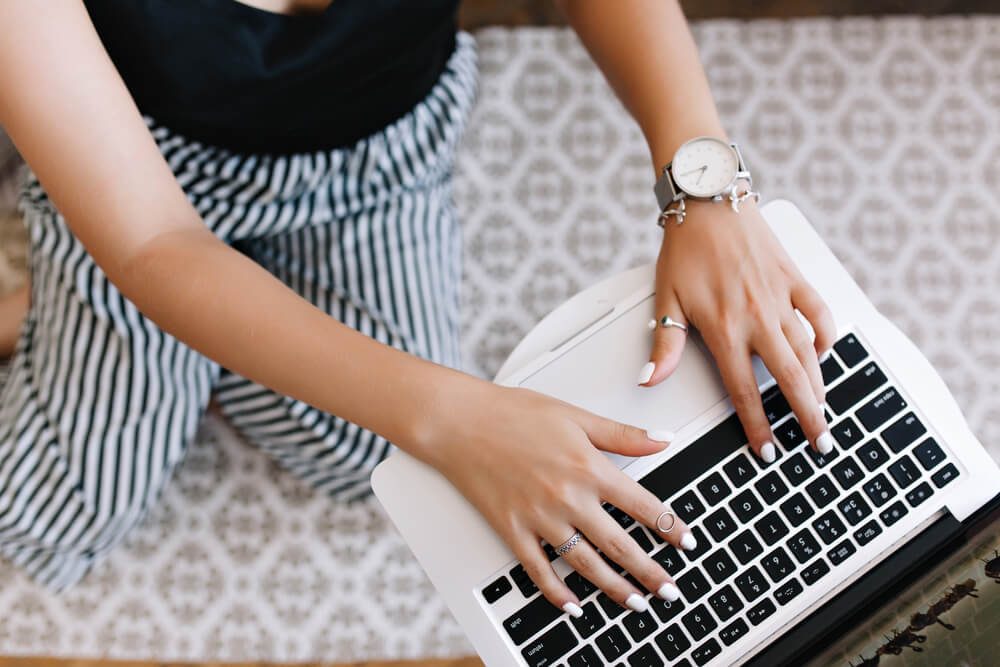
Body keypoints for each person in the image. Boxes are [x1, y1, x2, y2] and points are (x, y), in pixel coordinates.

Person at [0, 0, 835, 618]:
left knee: (362, 454)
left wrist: (705, 184)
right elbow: (149, 241)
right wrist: (455, 413)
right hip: (133, 158)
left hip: (376, 154)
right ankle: (68, 265)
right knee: (65, 506)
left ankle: (183, 316)